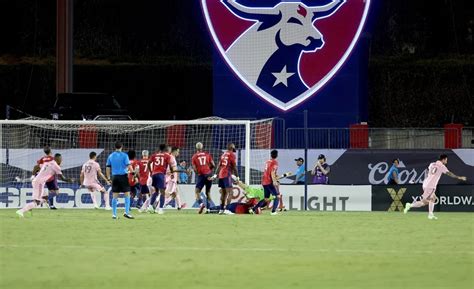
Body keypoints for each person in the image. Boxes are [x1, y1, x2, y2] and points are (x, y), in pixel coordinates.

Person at [404, 154, 467, 219]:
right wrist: (459, 177)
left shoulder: (432, 164)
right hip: (430, 186)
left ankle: (430, 214)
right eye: (446, 160)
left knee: (433, 198)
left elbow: (428, 172)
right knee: (424, 202)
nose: (446, 162)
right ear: (443, 159)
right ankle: (410, 205)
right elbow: (449, 174)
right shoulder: (442, 166)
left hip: (426, 183)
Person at [106, 141, 134, 219]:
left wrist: (108, 178)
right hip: (123, 177)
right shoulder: (125, 155)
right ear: (121, 147)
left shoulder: (110, 156)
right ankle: (126, 213)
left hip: (115, 177)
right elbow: (129, 166)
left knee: (115, 195)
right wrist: (133, 172)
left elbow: (108, 168)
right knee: (127, 194)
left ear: (115, 147)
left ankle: (114, 214)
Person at [212, 143, 239, 215]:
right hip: (226, 175)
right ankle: (227, 209)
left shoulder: (223, 155)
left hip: (221, 175)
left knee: (223, 193)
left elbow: (219, 165)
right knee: (231, 192)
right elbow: (234, 166)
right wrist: (237, 176)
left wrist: (215, 174)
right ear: (232, 149)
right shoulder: (232, 155)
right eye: (233, 150)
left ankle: (221, 209)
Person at [147, 144, 172, 214]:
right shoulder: (167, 156)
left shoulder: (154, 155)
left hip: (154, 174)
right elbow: (170, 165)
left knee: (156, 191)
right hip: (161, 175)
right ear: (165, 149)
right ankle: (160, 209)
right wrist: (172, 171)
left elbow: (148, 163)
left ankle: (150, 206)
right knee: (162, 192)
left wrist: (151, 172)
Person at [191, 142, 215, 213]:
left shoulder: (194, 156)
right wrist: (209, 170)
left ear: (196, 148)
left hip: (201, 175)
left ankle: (201, 204)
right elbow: (213, 164)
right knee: (208, 192)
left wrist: (198, 173)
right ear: (202, 147)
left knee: (197, 191)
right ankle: (209, 209)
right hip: (209, 174)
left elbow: (194, 168)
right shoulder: (207, 154)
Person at [255, 149, 280, 215]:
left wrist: (275, 176)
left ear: (271, 155)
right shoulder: (275, 162)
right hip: (269, 182)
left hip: (264, 182)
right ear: (277, 155)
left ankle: (253, 209)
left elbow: (268, 171)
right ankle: (273, 211)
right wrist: (274, 181)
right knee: (277, 196)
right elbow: (272, 172)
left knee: (266, 198)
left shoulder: (267, 161)